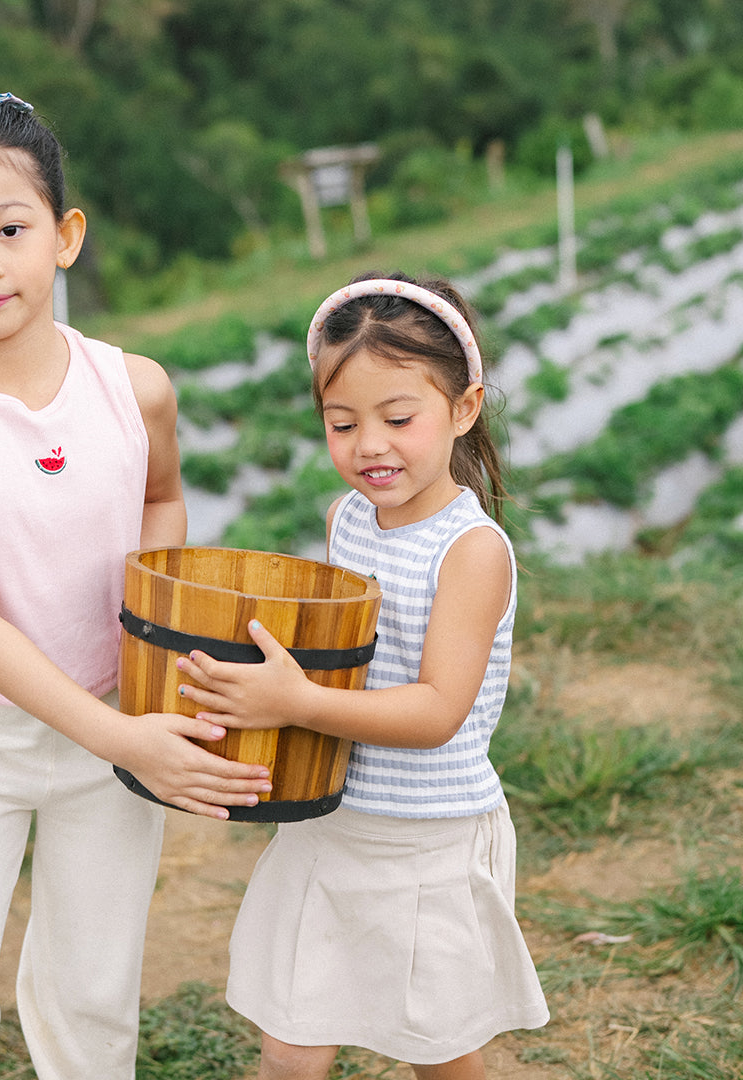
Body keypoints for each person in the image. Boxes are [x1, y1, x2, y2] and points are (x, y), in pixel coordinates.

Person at [0, 91, 271, 1080]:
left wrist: (151, 652)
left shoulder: (135, 387)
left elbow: (163, 503)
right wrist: (124, 738)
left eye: (10, 229)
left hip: (110, 723)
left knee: (93, 997)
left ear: (65, 236)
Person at [177, 273, 550, 1079]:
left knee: (440, 1053)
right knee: (290, 1046)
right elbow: (337, 652)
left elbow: (438, 710)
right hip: (330, 825)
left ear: (464, 408)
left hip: (426, 842)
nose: (369, 445)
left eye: (398, 418)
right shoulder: (345, 519)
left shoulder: (472, 552)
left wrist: (298, 699)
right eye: (342, 423)